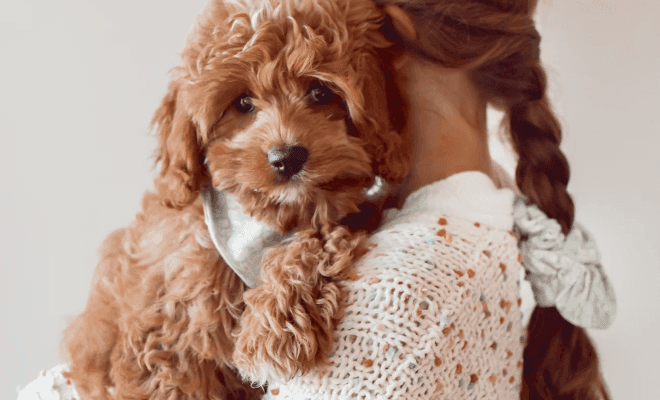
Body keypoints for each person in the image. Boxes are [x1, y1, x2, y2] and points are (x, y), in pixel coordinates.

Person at [17, 0, 616, 399]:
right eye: (244, 106)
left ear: (385, 29)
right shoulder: (495, 220)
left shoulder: (402, 291)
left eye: (319, 92)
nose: (282, 138)